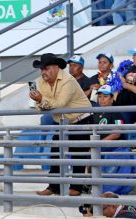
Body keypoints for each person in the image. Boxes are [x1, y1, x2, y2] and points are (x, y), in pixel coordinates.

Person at [29, 53, 93, 196]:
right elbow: (40, 106)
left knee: (78, 154)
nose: (43, 72)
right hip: (64, 122)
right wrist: (40, 100)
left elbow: (59, 104)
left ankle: (76, 188)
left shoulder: (68, 80)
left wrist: (41, 99)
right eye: (42, 69)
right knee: (56, 153)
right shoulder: (41, 81)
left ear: (56, 68)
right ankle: (54, 187)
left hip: (81, 119)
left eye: (46, 68)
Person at [94, 85, 134, 195]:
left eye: (105, 96)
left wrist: (98, 144)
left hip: (115, 148)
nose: (102, 99)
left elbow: (117, 133)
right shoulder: (96, 113)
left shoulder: (116, 112)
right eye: (100, 96)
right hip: (100, 148)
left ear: (112, 99)